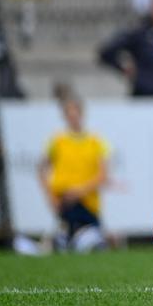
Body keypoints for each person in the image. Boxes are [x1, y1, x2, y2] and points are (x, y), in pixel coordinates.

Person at [39, 90, 109, 252]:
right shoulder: (57, 141)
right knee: (67, 240)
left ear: (81, 113)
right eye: (69, 114)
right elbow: (42, 170)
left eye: (75, 113)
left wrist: (79, 191)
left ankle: (82, 238)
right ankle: (63, 239)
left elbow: (102, 175)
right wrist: (51, 197)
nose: (73, 118)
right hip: (64, 203)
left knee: (89, 243)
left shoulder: (95, 141)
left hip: (87, 203)